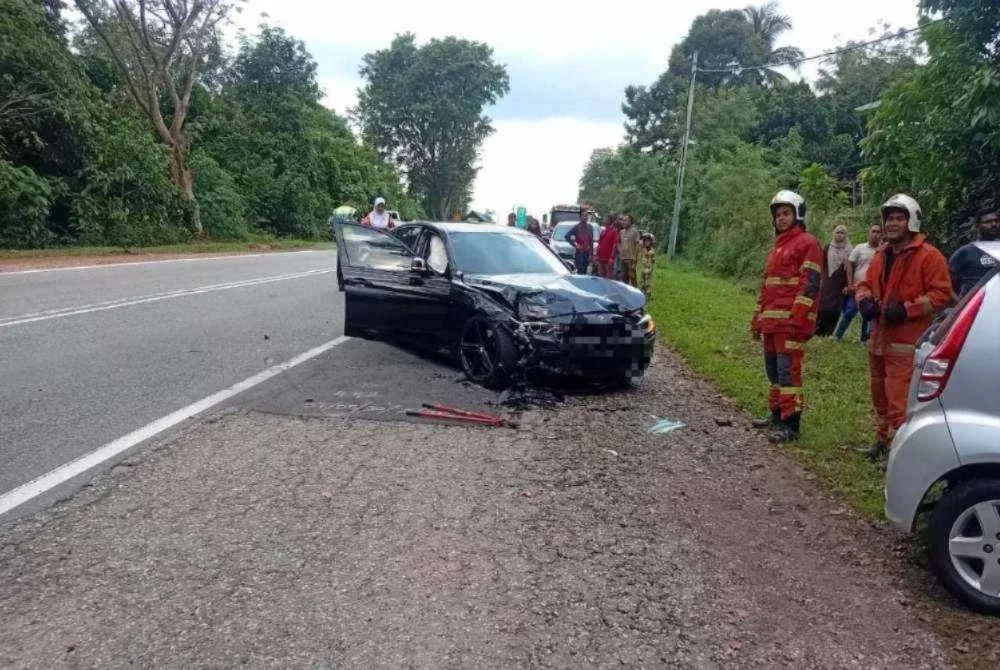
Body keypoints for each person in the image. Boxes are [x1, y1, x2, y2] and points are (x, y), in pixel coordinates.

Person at [856, 194, 952, 463]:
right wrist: (863, 301)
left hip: (906, 342)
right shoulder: (881, 255)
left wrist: (907, 309)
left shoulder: (928, 256)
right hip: (879, 339)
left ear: (912, 221)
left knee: (899, 400)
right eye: (889, 219)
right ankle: (882, 442)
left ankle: (899, 455)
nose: (893, 224)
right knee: (880, 396)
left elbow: (941, 295)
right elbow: (864, 284)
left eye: (899, 218)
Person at [750, 190, 823, 443]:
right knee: (773, 373)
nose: (781, 219)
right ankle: (776, 415)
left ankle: (791, 425)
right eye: (778, 214)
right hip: (772, 323)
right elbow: (767, 288)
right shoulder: (777, 248)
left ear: (797, 215)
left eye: (786, 213)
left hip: (791, 323)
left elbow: (810, 283)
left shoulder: (808, 243)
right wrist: (757, 318)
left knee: (788, 373)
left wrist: (798, 317)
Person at [835, 223, 882, 343]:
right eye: (873, 231)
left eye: (878, 232)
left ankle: (864, 340)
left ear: (882, 234)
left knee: (868, 314)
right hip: (857, 288)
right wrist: (850, 283)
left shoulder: (882, 251)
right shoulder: (860, 248)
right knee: (849, 311)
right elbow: (849, 263)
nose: (876, 234)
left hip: (872, 289)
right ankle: (837, 335)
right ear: (869, 233)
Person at [949, 205, 1000, 299]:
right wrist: (960, 304)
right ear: (977, 226)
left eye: (996, 221)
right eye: (988, 222)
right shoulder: (965, 252)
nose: (994, 224)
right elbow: (946, 283)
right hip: (976, 307)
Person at [816, 225, 853, 336]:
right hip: (827, 280)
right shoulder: (827, 247)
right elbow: (821, 263)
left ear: (846, 235)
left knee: (834, 308)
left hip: (840, 283)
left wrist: (848, 284)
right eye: (837, 232)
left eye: (842, 233)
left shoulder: (850, 250)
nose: (839, 235)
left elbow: (851, 269)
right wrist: (820, 278)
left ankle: (828, 332)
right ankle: (817, 330)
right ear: (833, 233)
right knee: (822, 305)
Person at [565, 210, 595, 275]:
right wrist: (575, 244)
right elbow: (567, 236)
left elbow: (591, 242)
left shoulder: (590, 227)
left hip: (587, 253)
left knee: (586, 272)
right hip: (580, 253)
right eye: (583, 215)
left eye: (586, 216)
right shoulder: (577, 227)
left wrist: (591, 255)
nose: (585, 217)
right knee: (580, 271)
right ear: (580, 217)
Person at [618, 214, 640, 286]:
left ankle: (636, 292)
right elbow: (619, 243)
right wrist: (620, 250)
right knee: (623, 277)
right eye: (623, 220)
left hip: (631, 258)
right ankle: (626, 293)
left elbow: (637, 245)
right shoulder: (621, 232)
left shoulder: (635, 231)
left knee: (632, 276)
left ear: (630, 222)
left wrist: (635, 258)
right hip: (623, 258)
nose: (623, 222)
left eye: (626, 220)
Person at [595, 213, 619, 279]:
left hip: (608, 259)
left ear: (609, 221)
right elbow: (599, 244)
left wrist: (612, 257)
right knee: (601, 276)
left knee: (608, 278)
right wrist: (597, 255)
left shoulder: (614, 231)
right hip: (600, 258)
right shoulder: (603, 231)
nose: (603, 220)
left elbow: (615, 245)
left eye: (605, 219)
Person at [638, 232, 657, 298]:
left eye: (648, 241)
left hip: (649, 268)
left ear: (651, 242)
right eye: (645, 241)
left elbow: (653, 260)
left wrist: (651, 267)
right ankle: (642, 292)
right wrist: (641, 236)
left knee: (647, 281)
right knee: (642, 280)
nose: (647, 243)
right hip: (643, 267)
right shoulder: (642, 249)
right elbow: (639, 243)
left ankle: (648, 294)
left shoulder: (652, 250)